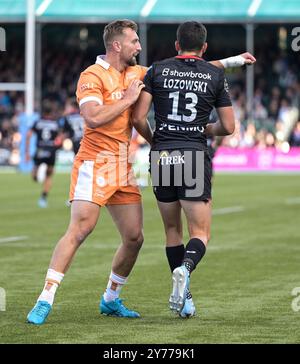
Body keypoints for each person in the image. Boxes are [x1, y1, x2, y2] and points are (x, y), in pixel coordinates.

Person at [27, 19, 255, 325]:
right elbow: (93, 118)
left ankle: (110, 298)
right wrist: (128, 100)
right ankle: (46, 297)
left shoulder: (137, 73)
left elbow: (187, 68)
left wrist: (232, 61)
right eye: (135, 41)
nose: (139, 46)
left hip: (123, 164)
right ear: (117, 45)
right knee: (81, 229)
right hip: (95, 162)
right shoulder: (91, 76)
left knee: (134, 237)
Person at [132, 21, 255, 318]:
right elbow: (228, 126)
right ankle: (185, 271)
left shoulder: (158, 70)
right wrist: (204, 128)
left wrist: (157, 140)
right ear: (204, 48)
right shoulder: (214, 75)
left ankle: (184, 297)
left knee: (171, 231)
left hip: (162, 156)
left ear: (176, 45)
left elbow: (138, 118)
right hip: (193, 155)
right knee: (200, 232)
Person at [25, 99, 63, 208]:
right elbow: (60, 138)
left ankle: (37, 177)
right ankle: (43, 198)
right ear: (51, 112)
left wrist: (27, 152)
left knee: (34, 176)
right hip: (51, 151)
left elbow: (28, 135)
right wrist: (57, 145)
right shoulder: (55, 123)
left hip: (40, 150)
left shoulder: (38, 122)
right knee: (49, 175)